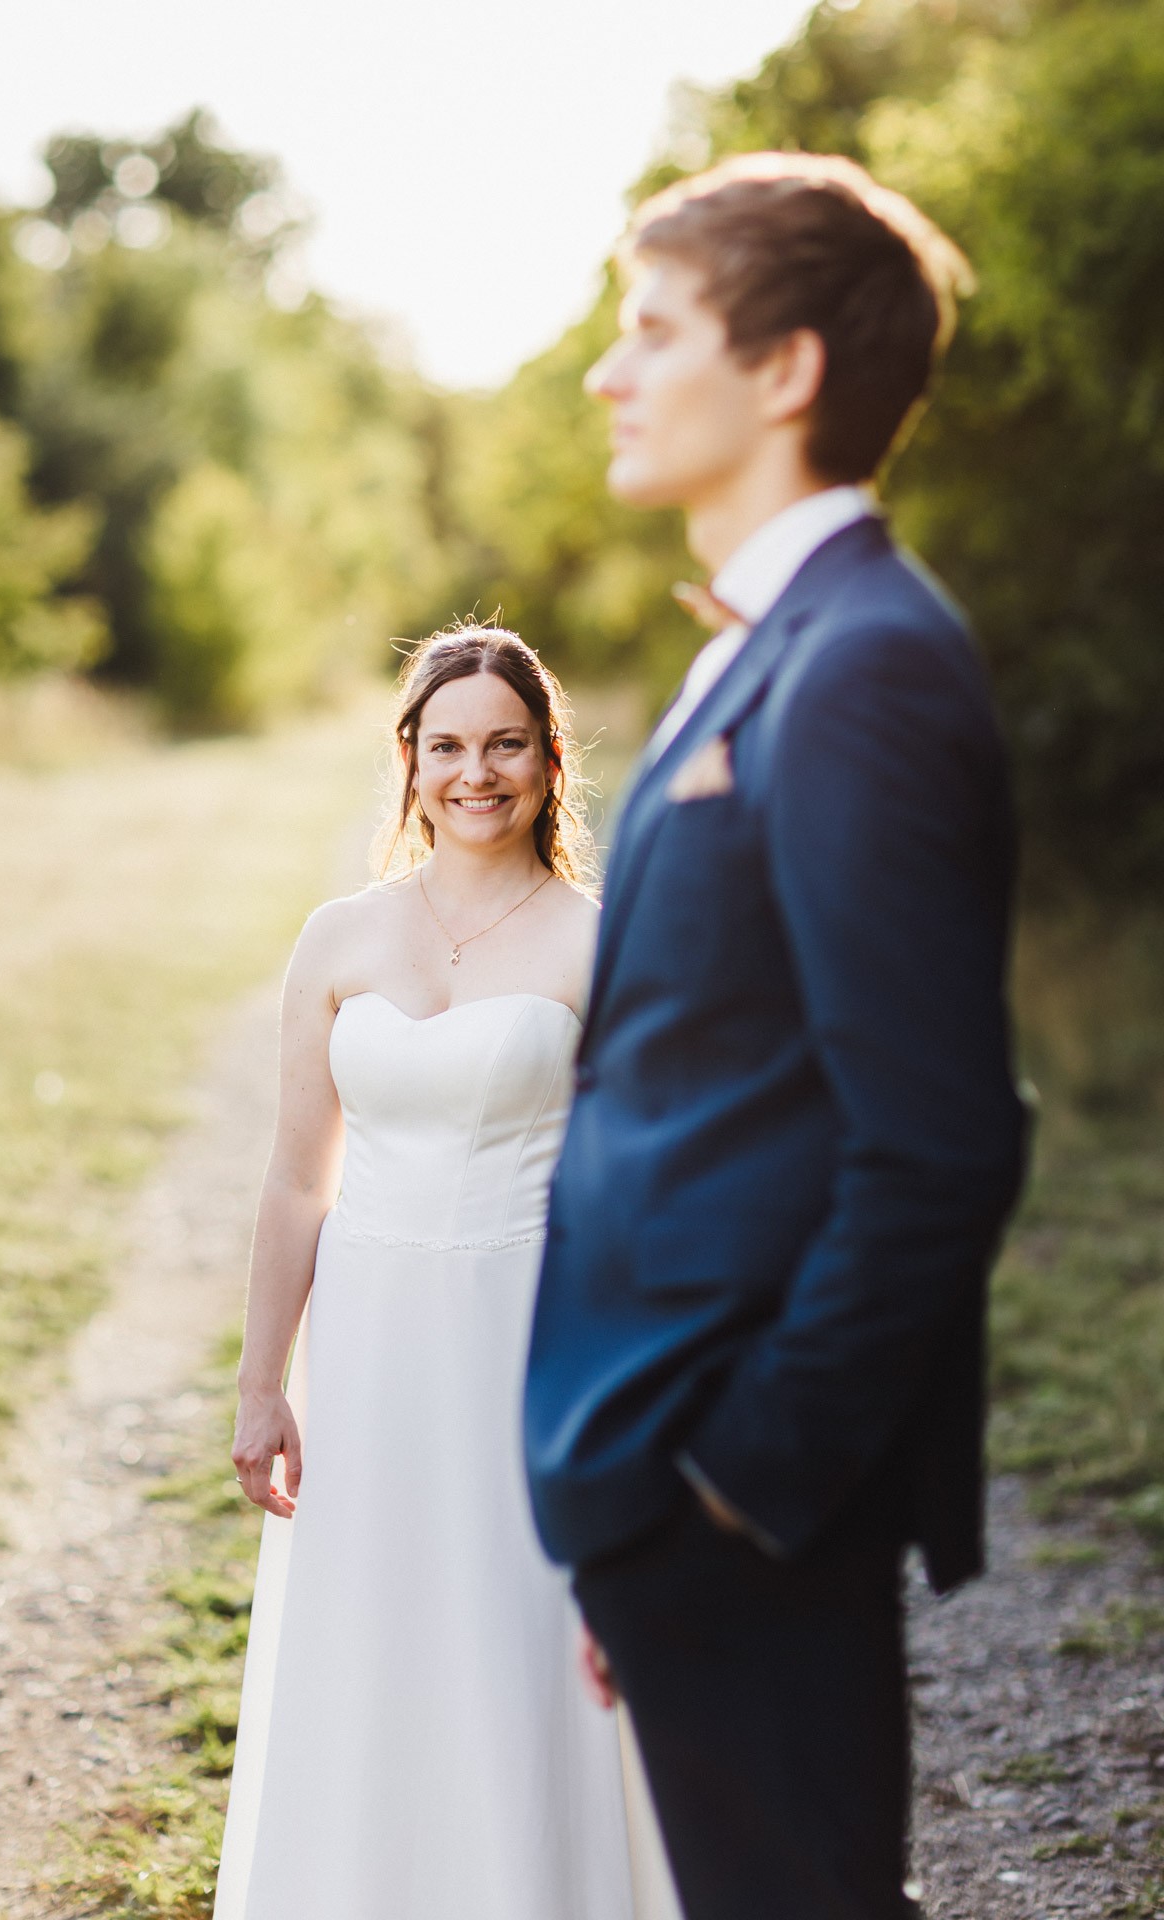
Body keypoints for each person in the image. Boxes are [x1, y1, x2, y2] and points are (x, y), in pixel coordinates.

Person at [524, 152, 1030, 1920]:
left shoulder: (867, 659)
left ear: (787, 370)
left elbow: (942, 1141)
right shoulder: (764, 647)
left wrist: (738, 1488)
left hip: (741, 1487)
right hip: (656, 1479)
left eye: (652, 329)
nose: (609, 371)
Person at [213, 625, 679, 1920]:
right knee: (371, 1653)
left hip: (528, 1338)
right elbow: (299, 1180)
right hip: (366, 1347)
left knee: (516, 1645)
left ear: (548, 758)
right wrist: (264, 1383)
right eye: (450, 745)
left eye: (507, 744)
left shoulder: (603, 939)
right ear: (411, 761)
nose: (479, 772)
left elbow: (638, 1197)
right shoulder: (342, 936)